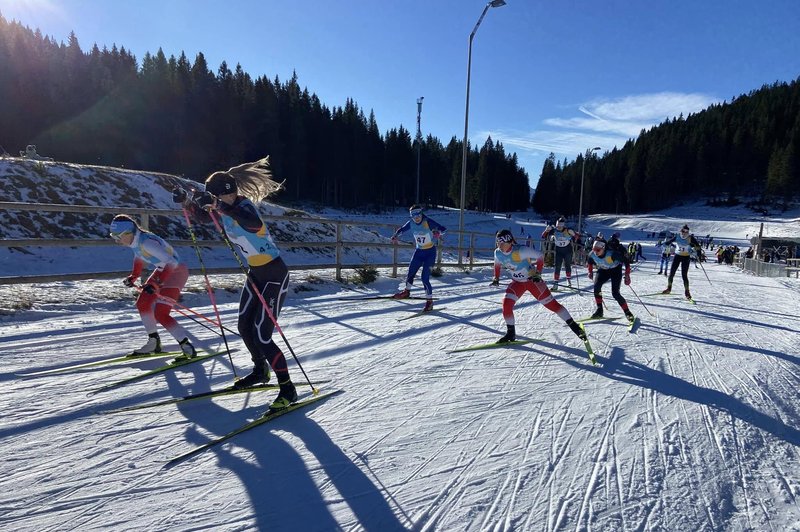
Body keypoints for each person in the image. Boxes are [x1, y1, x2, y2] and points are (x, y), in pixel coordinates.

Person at [178, 157, 296, 411]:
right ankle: (260, 371)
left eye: (220, 197)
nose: (217, 203)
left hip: (275, 274)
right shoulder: (223, 208)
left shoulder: (244, 207)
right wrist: (187, 202)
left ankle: (288, 388)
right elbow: (201, 217)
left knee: (263, 335)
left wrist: (218, 204)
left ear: (229, 193)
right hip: (255, 273)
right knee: (244, 326)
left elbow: (251, 224)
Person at [109, 214, 196, 359]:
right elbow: (138, 256)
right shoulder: (136, 241)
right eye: (114, 237)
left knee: (161, 313)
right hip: (163, 270)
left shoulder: (146, 242)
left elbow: (172, 262)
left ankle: (186, 346)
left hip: (176, 272)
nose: (117, 241)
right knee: (143, 303)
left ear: (128, 233)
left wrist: (157, 283)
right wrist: (134, 276)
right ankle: (153, 342)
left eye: (118, 237)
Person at [490, 229, 586, 344]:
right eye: (498, 243)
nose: (499, 246)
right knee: (506, 305)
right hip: (517, 283)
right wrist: (496, 278)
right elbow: (497, 264)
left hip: (532, 281)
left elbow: (540, 256)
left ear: (510, 242)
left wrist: (538, 274)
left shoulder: (521, 251)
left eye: (502, 243)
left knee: (553, 306)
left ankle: (575, 327)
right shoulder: (498, 253)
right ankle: (511, 333)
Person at [391, 205, 446, 312]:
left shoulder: (427, 221)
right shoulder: (411, 223)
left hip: (430, 253)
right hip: (419, 252)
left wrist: (438, 232)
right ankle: (406, 291)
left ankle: (429, 302)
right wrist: (396, 235)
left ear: (421, 213)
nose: (416, 217)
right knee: (411, 272)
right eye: (413, 215)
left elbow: (444, 229)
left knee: (424, 278)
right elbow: (402, 229)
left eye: (418, 214)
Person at [586, 236, 635, 323]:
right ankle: (599, 310)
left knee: (615, 293)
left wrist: (627, 275)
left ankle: (627, 312)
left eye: (598, 250)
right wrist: (590, 272)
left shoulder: (612, 254)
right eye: (594, 249)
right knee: (596, 287)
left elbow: (626, 261)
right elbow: (589, 261)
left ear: (603, 248)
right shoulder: (592, 254)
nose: (595, 252)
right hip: (603, 270)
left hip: (615, 270)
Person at [661, 224, 703, 299]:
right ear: (681, 231)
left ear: (688, 232)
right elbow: (670, 241)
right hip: (677, 256)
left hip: (686, 257)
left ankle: (687, 292)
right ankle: (669, 289)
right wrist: (665, 243)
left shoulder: (690, 238)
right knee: (671, 273)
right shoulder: (677, 236)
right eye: (683, 231)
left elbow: (698, 246)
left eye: (686, 232)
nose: (684, 233)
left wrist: (696, 251)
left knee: (684, 275)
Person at [540, 217, 577, 291]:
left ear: (563, 226)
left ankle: (568, 281)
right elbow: (543, 236)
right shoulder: (554, 230)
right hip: (559, 250)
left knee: (567, 265)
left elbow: (576, 237)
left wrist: (574, 235)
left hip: (567, 250)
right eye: (557, 226)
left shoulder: (567, 230)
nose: (558, 228)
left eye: (560, 226)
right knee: (557, 266)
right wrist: (546, 230)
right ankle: (556, 284)